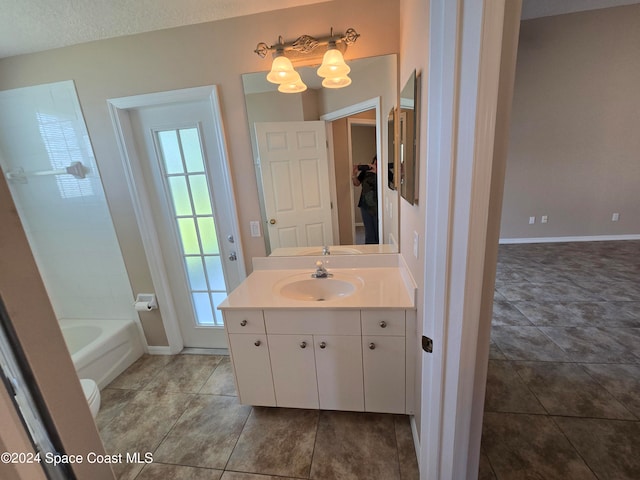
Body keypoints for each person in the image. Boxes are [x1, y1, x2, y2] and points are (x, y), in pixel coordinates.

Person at [351, 155, 379, 244]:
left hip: (379, 206)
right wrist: (354, 175)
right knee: (369, 231)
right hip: (365, 205)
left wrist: (378, 173)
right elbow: (357, 183)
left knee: (379, 231)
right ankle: (370, 251)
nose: (375, 164)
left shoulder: (385, 172)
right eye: (374, 162)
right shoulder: (365, 171)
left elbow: (393, 184)